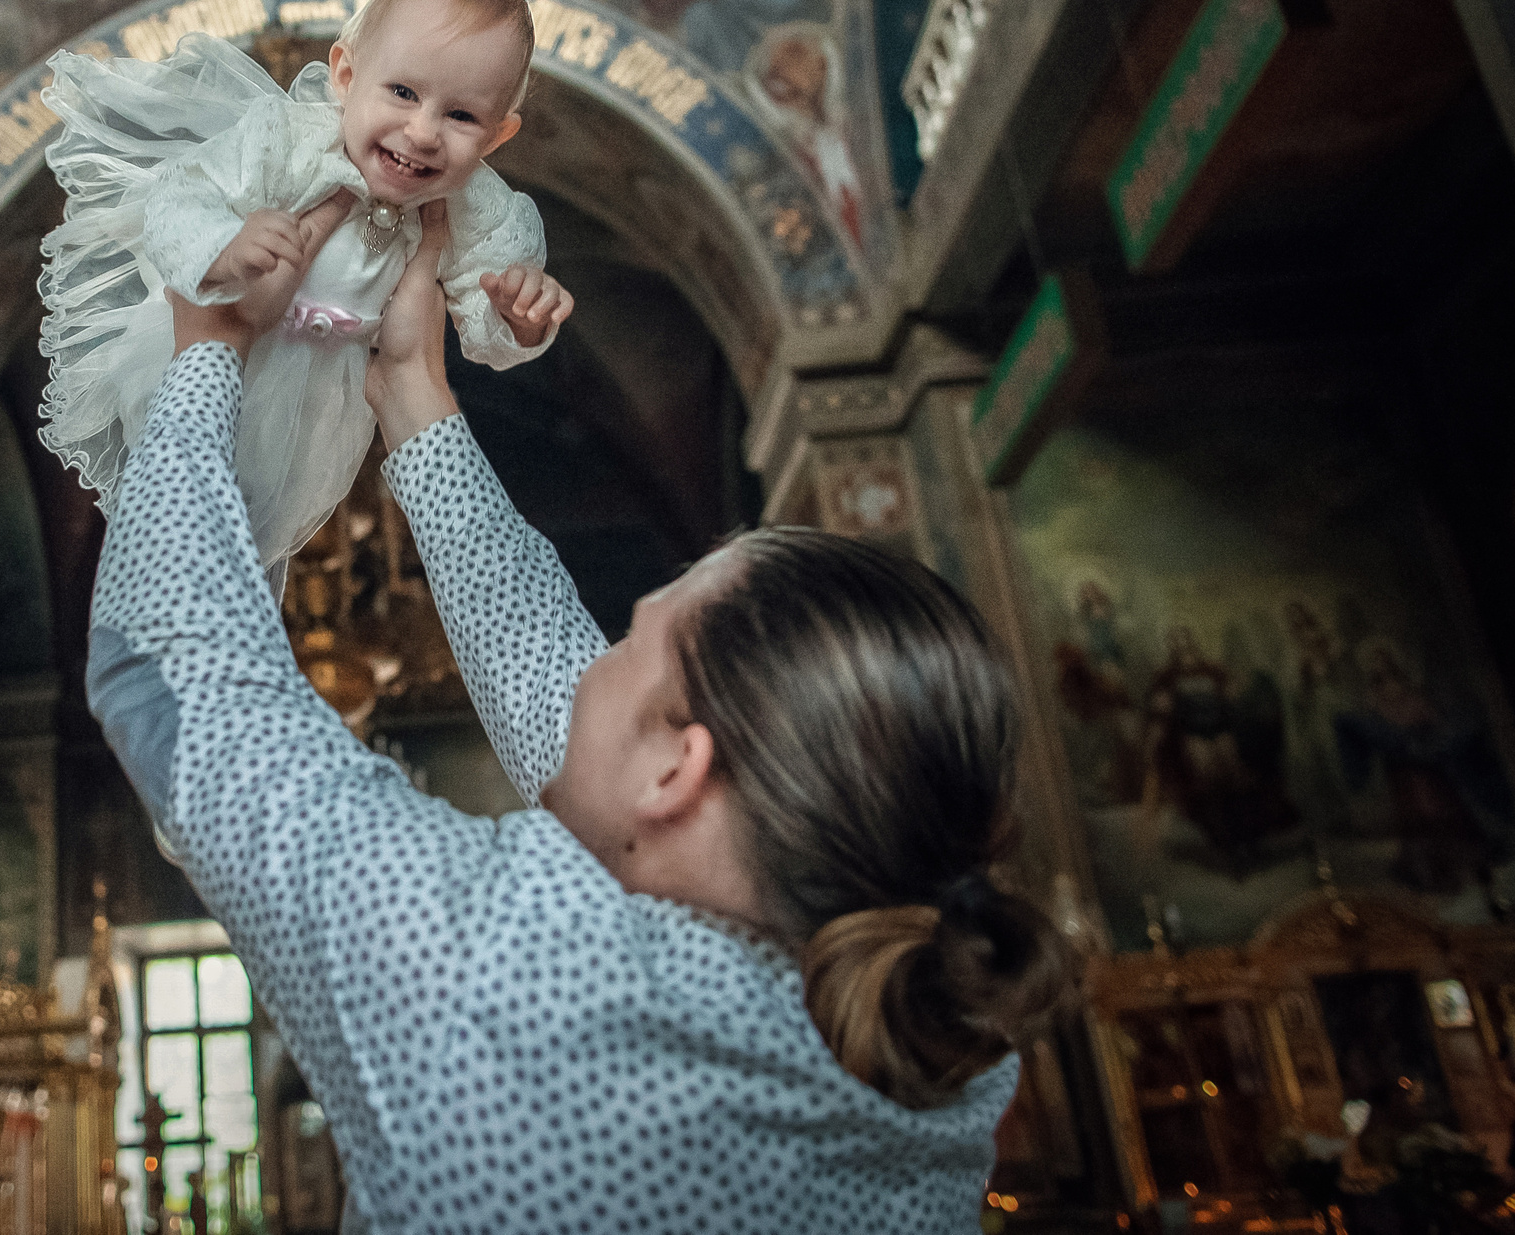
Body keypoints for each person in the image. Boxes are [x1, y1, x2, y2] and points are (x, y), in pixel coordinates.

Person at [83, 199, 1072, 1233]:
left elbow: (167, 672)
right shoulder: (943, 1047)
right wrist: (412, 394)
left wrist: (207, 351)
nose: (588, 667)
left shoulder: (495, 970)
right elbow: (556, 687)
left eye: (626, 649)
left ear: (677, 770)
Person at [38, 0, 573, 572]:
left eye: (461, 115)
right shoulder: (288, 141)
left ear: (497, 135)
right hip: (226, 349)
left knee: (256, 553)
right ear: (346, 76)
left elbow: (481, 316)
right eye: (402, 92)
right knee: (178, 525)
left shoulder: (475, 208)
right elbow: (180, 195)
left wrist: (518, 317)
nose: (424, 132)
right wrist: (223, 248)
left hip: (328, 398)